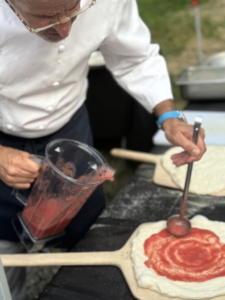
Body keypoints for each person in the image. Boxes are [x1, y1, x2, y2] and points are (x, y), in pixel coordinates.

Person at [0, 0, 206, 299]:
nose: (64, 29)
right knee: (4, 245)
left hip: (70, 127)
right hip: (4, 136)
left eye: (73, 11)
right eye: (44, 18)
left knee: (88, 235)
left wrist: (169, 116)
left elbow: (134, 57)